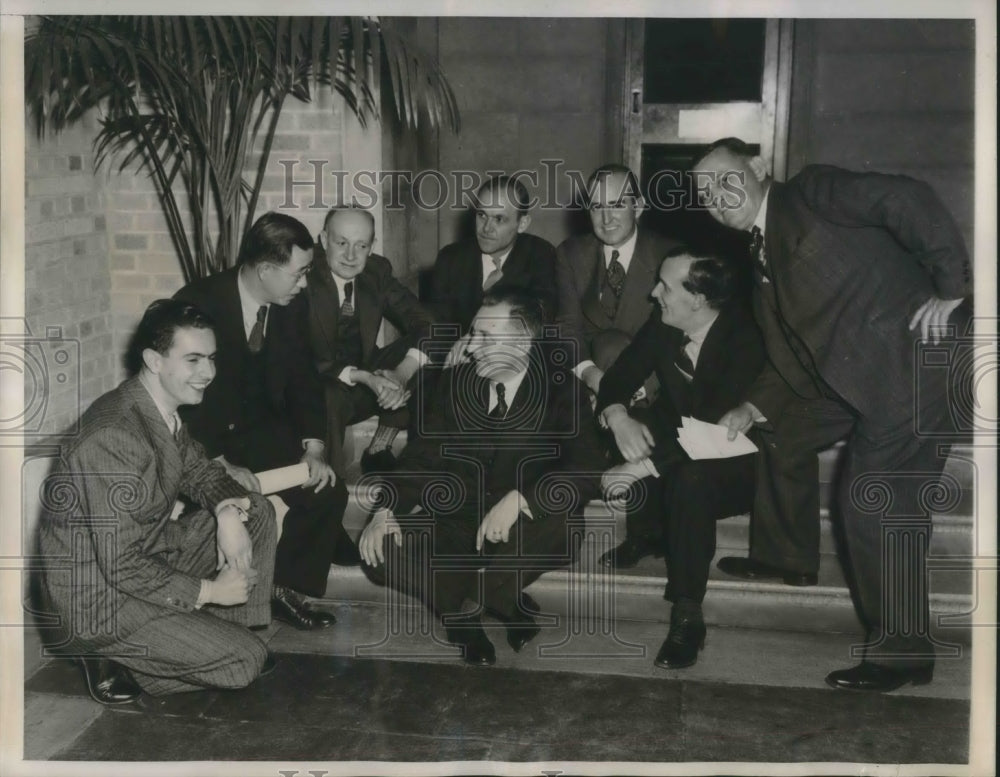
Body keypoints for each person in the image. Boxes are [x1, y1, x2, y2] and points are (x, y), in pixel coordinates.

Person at [691, 137, 972, 691]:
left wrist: (952, 288)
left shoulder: (811, 192)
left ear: (758, 167)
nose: (717, 198)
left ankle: (902, 654)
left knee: (871, 500)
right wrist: (751, 406)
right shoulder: (758, 254)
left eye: (725, 180)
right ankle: (787, 557)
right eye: (704, 195)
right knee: (781, 430)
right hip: (851, 377)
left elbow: (908, 198)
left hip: (910, 367)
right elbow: (789, 353)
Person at [38, 299, 275, 702]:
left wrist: (227, 513)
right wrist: (209, 592)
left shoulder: (158, 409)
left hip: (143, 559)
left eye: (211, 358)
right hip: (101, 602)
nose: (209, 373)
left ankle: (222, 632)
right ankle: (113, 657)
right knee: (245, 662)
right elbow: (121, 564)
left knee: (256, 510)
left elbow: (202, 473)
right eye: (193, 360)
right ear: (153, 360)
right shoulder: (115, 435)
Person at [358, 289, 604, 666]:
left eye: (485, 337)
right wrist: (385, 510)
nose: (471, 347)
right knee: (378, 550)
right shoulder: (456, 382)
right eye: (473, 334)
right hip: (459, 521)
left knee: (562, 520)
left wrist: (521, 499)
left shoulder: (562, 389)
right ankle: (500, 602)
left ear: (522, 341)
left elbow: (588, 470)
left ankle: (466, 609)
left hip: (523, 529)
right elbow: (422, 458)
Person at [175, 211, 353, 631]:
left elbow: (304, 379)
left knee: (327, 491)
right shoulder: (197, 303)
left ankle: (283, 589)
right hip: (205, 440)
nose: (305, 284)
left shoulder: (291, 303)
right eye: (299, 273)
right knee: (238, 505)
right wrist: (217, 463)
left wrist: (314, 447)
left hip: (260, 433)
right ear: (266, 270)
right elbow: (180, 398)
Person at [596, 247, 765, 668]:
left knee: (690, 479)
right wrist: (617, 416)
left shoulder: (745, 336)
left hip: (732, 459)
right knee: (634, 422)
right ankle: (649, 534)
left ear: (698, 299)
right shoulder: (665, 322)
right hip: (682, 439)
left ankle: (688, 614)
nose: (654, 293)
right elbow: (620, 375)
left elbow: (709, 428)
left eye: (665, 287)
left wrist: (639, 466)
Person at [555, 163, 680, 568]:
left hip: (654, 375)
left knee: (646, 412)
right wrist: (596, 379)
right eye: (596, 206)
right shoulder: (571, 254)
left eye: (617, 205)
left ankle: (644, 532)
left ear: (638, 206)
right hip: (592, 371)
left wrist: (631, 388)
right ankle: (559, 528)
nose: (606, 217)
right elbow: (568, 328)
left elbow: (677, 332)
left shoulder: (667, 254)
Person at [306, 206, 435, 476]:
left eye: (361, 245)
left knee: (434, 345)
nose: (351, 255)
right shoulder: (304, 275)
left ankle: (380, 446)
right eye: (341, 243)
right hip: (321, 386)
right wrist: (364, 377)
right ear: (324, 239)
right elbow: (303, 359)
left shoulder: (376, 271)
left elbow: (426, 323)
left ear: (372, 246)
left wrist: (401, 374)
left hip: (368, 383)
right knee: (328, 394)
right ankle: (330, 483)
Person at [425, 174, 557, 343]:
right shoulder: (450, 258)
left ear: (522, 223)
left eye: (499, 219)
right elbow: (436, 324)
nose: (487, 228)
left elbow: (540, 322)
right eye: (482, 215)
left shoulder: (540, 254)